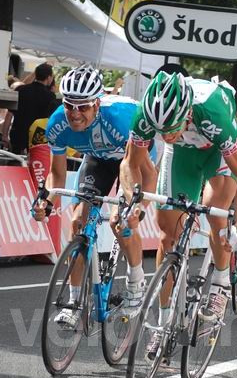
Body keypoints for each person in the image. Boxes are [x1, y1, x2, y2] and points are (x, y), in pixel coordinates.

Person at [120, 71, 237, 348]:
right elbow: (130, 163)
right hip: (182, 156)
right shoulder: (147, 112)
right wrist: (132, 200)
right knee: (168, 236)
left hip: (216, 152)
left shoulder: (211, 110)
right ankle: (164, 320)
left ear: (187, 112)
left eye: (172, 128)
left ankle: (219, 282)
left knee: (216, 215)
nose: (166, 135)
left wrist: (236, 225)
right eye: (162, 131)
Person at [32, 66, 156, 327]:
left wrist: (139, 207)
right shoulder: (56, 124)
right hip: (97, 159)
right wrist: (47, 200)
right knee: (77, 224)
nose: (75, 114)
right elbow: (56, 172)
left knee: (119, 222)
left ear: (97, 104)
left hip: (132, 160)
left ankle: (136, 280)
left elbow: (146, 172)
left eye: (84, 107)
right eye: (69, 105)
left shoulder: (121, 120)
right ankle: (74, 304)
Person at [10, 63, 59, 155]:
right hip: (37, 136)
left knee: (15, 161)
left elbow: (11, 113)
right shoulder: (49, 96)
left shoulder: (21, 90)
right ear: (48, 78)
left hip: (18, 133)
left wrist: (5, 134)